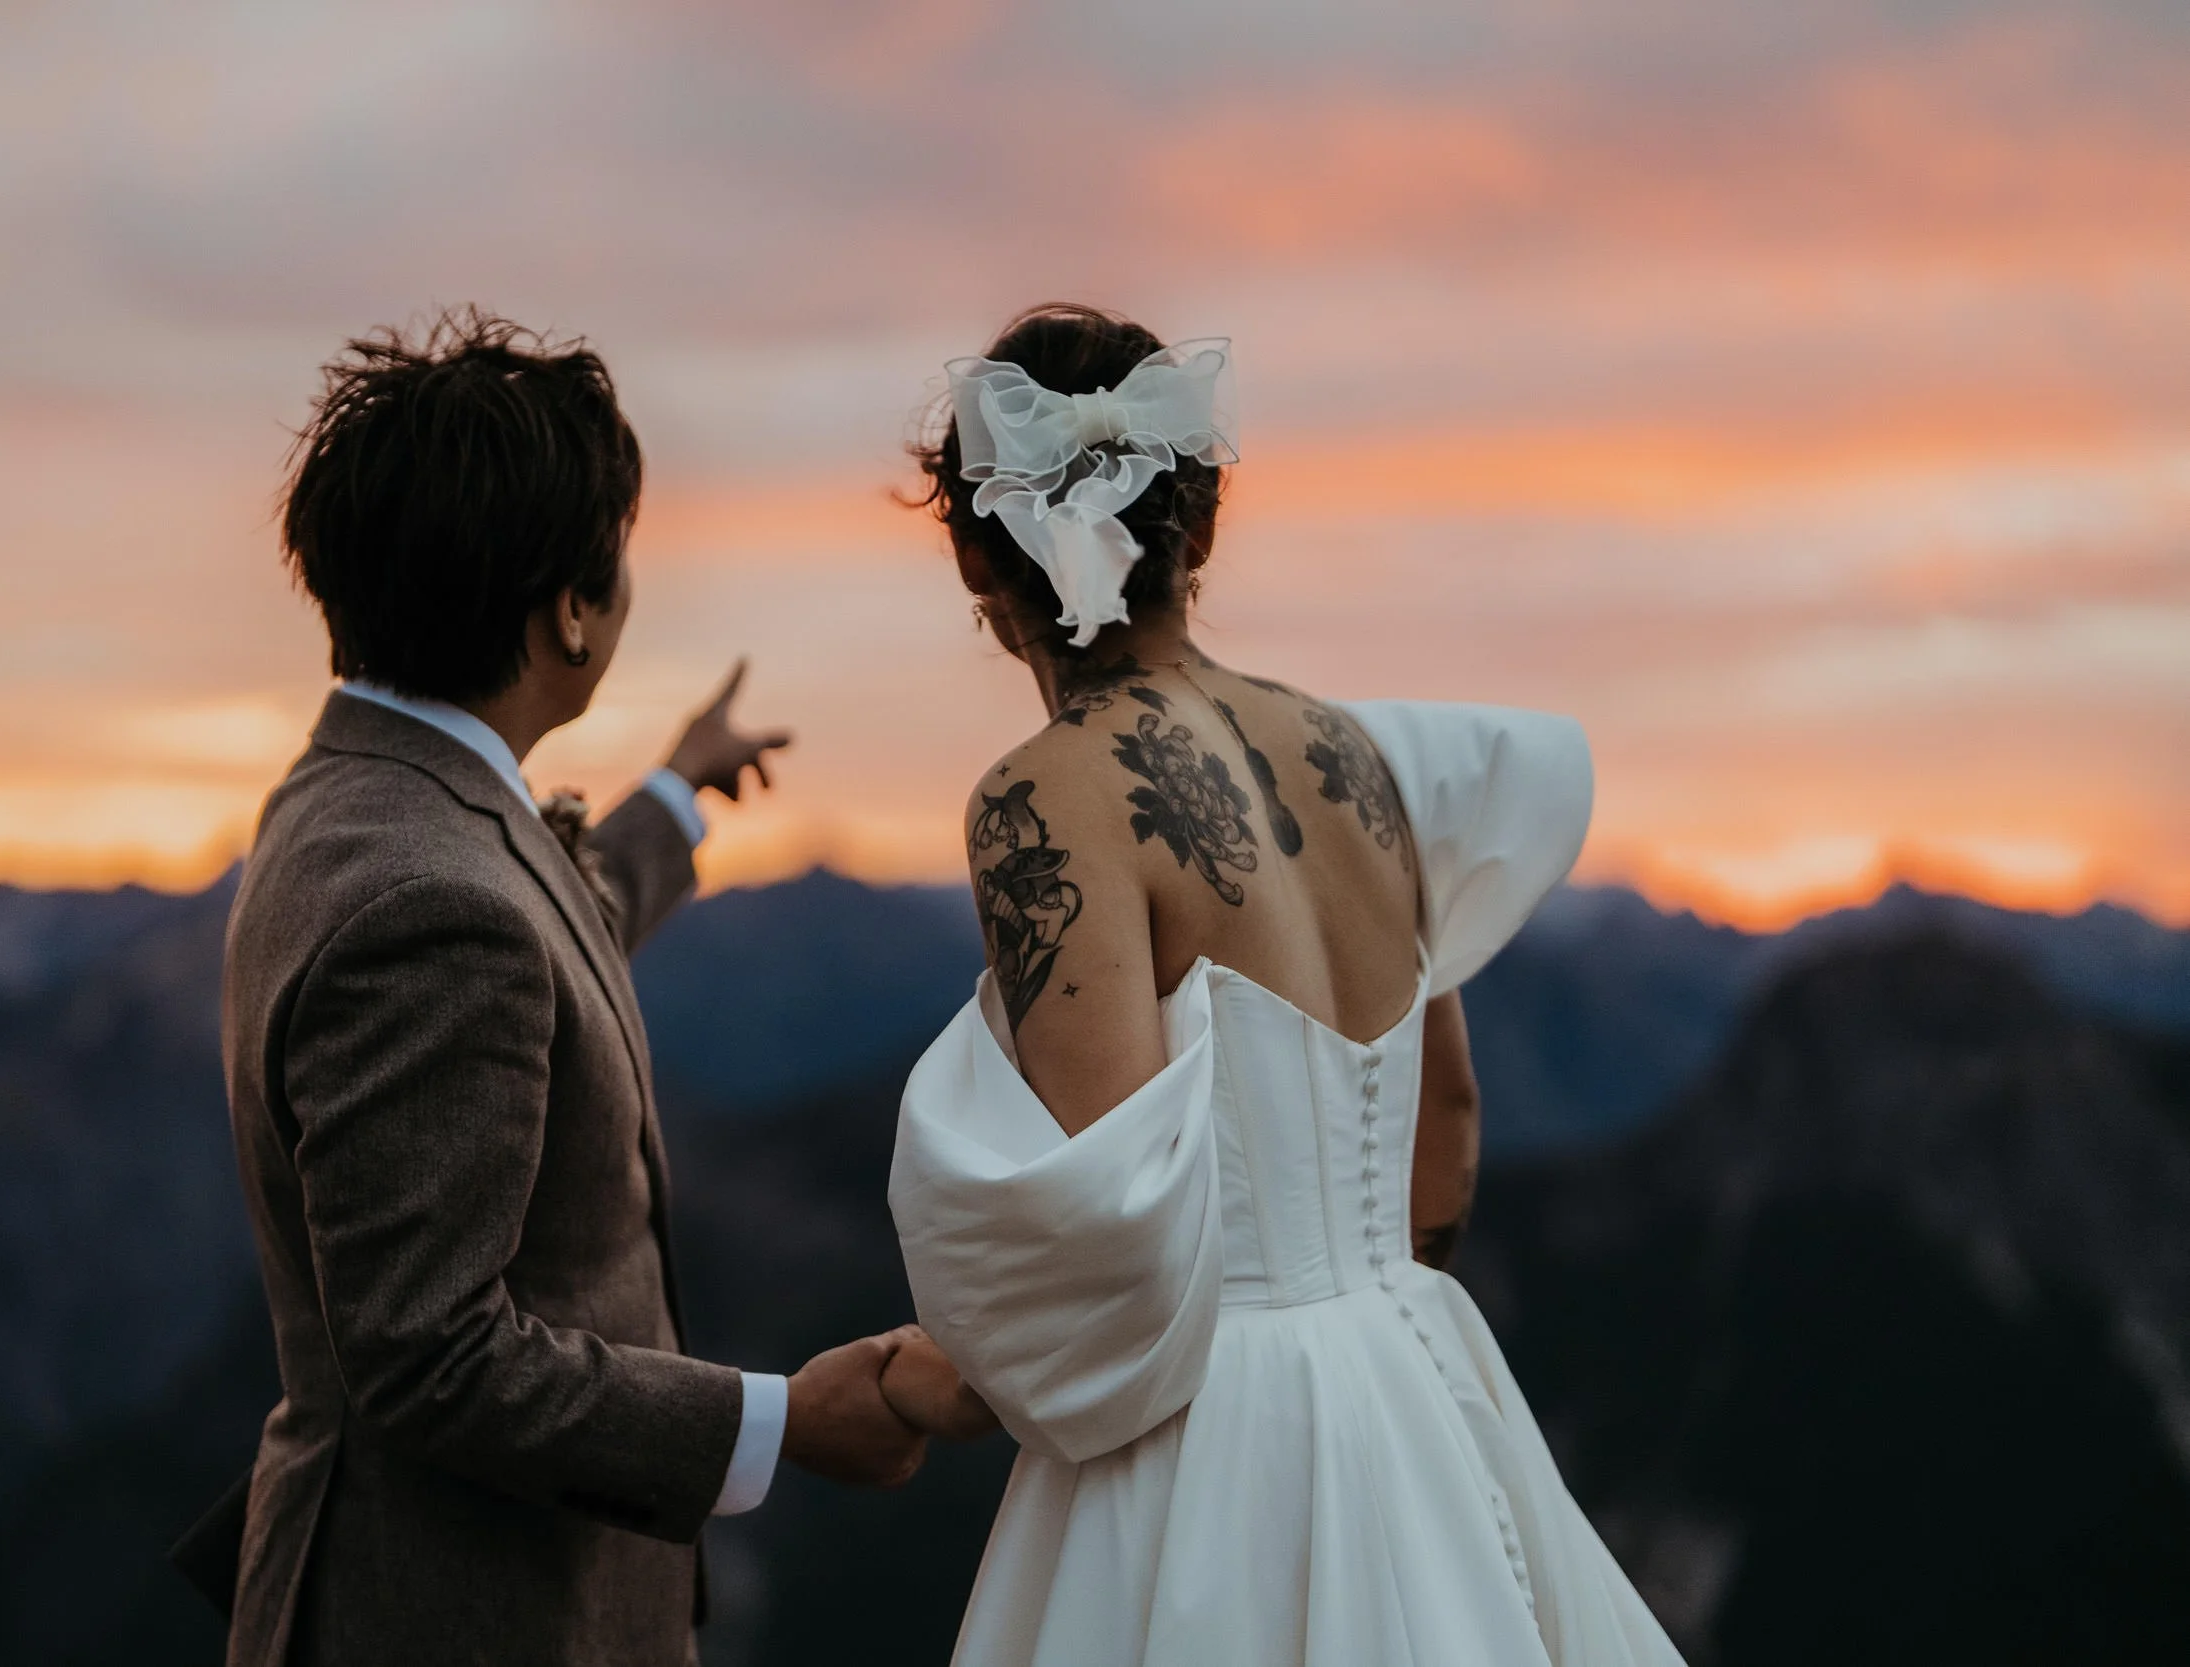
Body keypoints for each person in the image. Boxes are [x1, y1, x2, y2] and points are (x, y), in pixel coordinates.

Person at [875, 305, 1686, 1666]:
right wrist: (1361, 1337)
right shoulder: (1361, 758)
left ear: (974, 551)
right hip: (1417, 1378)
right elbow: (1450, 1133)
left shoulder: (1042, 800)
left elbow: (1118, 1243)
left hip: (1208, 1450)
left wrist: (921, 1383)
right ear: (1200, 521)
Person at [201, 310, 927, 1667]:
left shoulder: (360, 798)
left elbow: (538, 927)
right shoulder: (433, 901)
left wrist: (676, 793)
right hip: (462, 1613)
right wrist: (781, 1422)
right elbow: (429, 1356)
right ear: (573, 610)